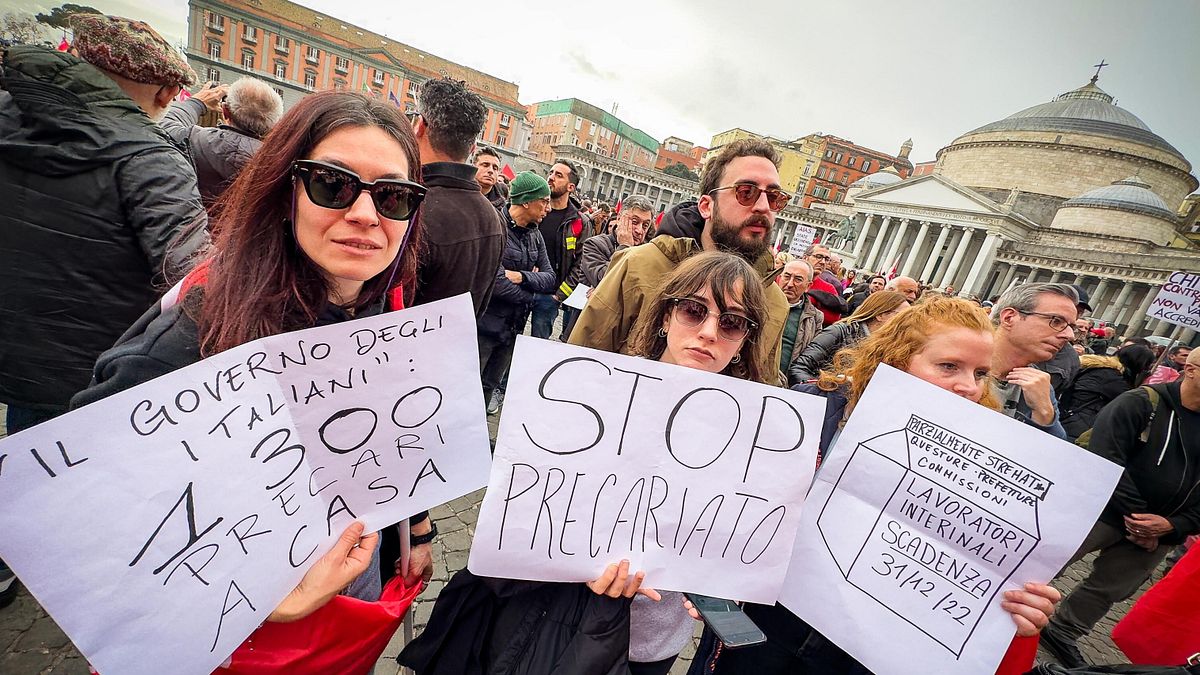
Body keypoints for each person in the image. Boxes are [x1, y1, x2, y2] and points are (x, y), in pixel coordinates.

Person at [69, 91, 436, 658]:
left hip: (346, 606)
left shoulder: (382, 313)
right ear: (284, 191)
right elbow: (82, 528)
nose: (365, 214)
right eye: (332, 184)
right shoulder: (192, 336)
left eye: (391, 195)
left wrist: (414, 532)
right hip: (222, 640)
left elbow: (388, 447)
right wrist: (259, 597)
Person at [690, 295, 1062, 675]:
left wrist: (1014, 608)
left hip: (863, 651)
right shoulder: (815, 408)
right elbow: (738, 506)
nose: (968, 386)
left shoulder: (987, 466)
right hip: (765, 623)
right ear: (898, 358)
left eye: (980, 373)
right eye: (949, 366)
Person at [1, 13, 208, 435]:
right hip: (86, 375)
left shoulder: (7, 113)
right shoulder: (150, 158)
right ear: (169, 92)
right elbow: (193, 277)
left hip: (15, 354)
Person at [570, 138, 790, 385]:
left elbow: (762, 385)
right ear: (707, 206)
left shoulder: (775, 302)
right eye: (746, 192)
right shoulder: (638, 266)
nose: (763, 207)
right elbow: (578, 364)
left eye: (774, 197)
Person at [1040, 348, 1200, 668]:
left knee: (1108, 589)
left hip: (1160, 533)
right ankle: (994, 614)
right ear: (1192, 369)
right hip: (1103, 511)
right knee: (1044, 563)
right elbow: (1104, 456)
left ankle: (1062, 631)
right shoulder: (1142, 402)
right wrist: (1138, 517)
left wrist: (1174, 526)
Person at [409, 77, 505, 318]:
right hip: (459, 349)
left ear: (419, 126)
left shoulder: (411, 208)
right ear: (473, 147)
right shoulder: (494, 217)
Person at [478, 172, 555, 409]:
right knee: (469, 384)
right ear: (526, 202)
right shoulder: (495, 227)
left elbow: (550, 278)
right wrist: (532, 295)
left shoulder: (536, 236)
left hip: (513, 328)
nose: (548, 208)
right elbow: (495, 281)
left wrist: (522, 276)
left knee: (490, 385)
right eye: (544, 201)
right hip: (485, 325)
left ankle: (477, 436)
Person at [160, 76, 283, 208]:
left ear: (225, 111)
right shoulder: (279, 165)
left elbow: (164, 126)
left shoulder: (198, 140)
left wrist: (197, 102)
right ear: (275, 125)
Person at [988, 283, 1078, 438]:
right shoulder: (954, 363)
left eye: (1071, 326)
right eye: (1056, 321)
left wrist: (1044, 414)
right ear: (1009, 318)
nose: (1070, 335)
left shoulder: (1040, 384)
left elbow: (1055, 450)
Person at [787, 290, 909, 384]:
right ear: (881, 315)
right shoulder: (839, 332)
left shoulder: (893, 348)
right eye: (903, 316)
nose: (908, 322)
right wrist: (825, 391)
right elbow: (799, 369)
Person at [531, 160, 593, 340]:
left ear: (571, 187)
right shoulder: (534, 209)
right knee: (507, 343)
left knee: (536, 348)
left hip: (549, 296)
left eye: (559, 175)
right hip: (523, 288)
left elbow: (581, 264)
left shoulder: (579, 222)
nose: (551, 178)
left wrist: (558, 296)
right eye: (551, 172)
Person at [1058, 344, 1156, 440]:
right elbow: (1131, 403)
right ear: (1139, 364)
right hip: (1078, 426)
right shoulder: (1115, 379)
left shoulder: (1101, 368)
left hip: (1068, 416)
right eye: (1147, 367)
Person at [572, 195, 653, 290]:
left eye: (645, 225)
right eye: (635, 222)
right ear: (619, 219)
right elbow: (602, 282)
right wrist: (624, 247)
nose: (639, 230)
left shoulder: (648, 255)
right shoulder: (594, 244)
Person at [775, 260, 824, 382]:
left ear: (808, 286)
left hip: (786, 384)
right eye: (787, 276)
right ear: (779, 278)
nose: (790, 284)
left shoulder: (815, 317)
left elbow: (813, 356)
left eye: (798, 279)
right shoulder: (760, 303)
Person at [804, 243, 847, 325]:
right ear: (805, 257)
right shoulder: (786, 277)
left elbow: (833, 319)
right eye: (818, 257)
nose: (823, 262)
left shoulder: (829, 288)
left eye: (827, 259)